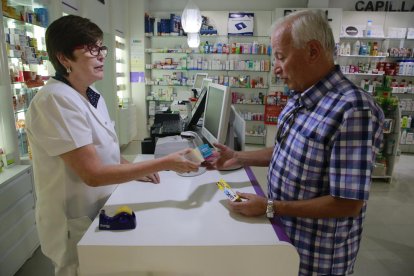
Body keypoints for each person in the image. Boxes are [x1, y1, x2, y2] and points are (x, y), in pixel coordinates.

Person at [210, 10, 384, 275]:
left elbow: (348, 202)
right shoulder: (299, 95)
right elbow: (286, 151)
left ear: (313, 51)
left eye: (281, 57)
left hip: (316, 255)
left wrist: (270, 206)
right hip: (284, 236)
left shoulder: (353, 109)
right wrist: (238, 157)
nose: (276, 67)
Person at [26, 15, 200, 276]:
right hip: (74, 220)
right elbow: (92, 174)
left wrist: (133, 168)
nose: (101, 56)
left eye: (101, 47)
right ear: (64, 58)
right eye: (92, 49)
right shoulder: (55, 100)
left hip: (101, 208)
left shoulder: (91, 94)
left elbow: (105, 148)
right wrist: (165, 163)